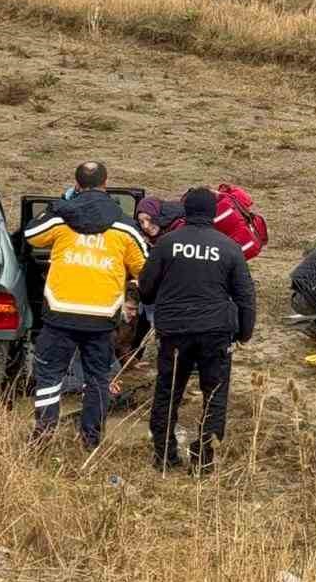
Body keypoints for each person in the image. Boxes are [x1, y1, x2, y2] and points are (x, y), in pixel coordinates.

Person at [25, 161, 148, 448]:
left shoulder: (62, 218)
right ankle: (90, 439)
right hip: (101, 319)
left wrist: (59, 205)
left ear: (76, 185)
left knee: (49, 376)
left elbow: (31, 235)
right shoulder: (125, 227)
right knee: (97, 379)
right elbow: (144, 266)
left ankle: (43, 434)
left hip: (60, 315)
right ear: (106, 184)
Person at [139, 186, 256, 473]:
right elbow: (245, 295)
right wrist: (244, 333)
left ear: (186, 211)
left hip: (174, 332)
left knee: (168, 391)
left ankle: (165, 455)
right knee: (215, 395)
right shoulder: (229, 247)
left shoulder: (166, 244)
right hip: (216, 333)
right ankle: (204, 458)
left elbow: (145, 290)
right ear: (214, 213)